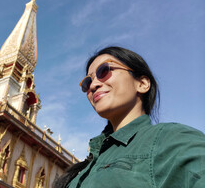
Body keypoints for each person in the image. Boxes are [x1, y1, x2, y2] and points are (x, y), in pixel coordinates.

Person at [53, 46, 205, 188]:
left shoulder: (170, 140)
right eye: (88, 82)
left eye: (104, 71)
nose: (93, 85)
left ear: (142, 83)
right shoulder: (84, 167)